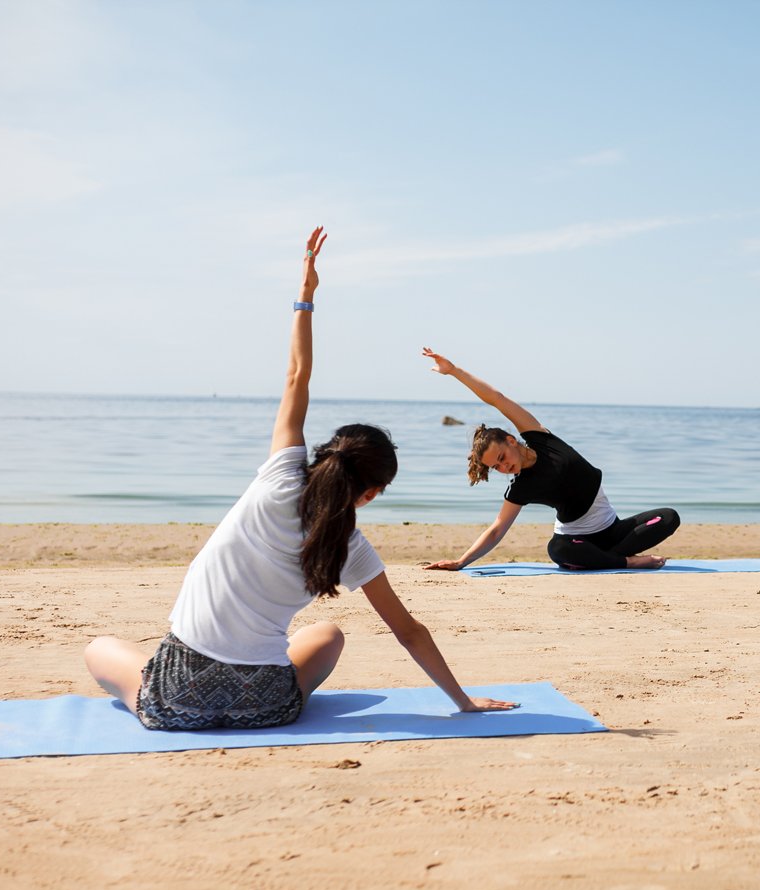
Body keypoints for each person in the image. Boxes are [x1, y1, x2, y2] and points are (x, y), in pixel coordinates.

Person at [84, 228, 515, 729]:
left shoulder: (279, 478)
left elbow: (296, 376)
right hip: (268, 707)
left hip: (178, 700)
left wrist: (305, 295)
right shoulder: (350, 545)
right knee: (328, 634)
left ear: (325, 455)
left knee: (100, 649)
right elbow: (408, 631)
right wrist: (463, 702)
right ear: (371, 494)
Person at [420, 349, 680, 572]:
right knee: (558, 550)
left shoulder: (538, 437)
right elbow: (497, 529)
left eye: (501, 458)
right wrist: (461, 562)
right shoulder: (520, 487)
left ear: (511, 439)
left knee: (668, 518)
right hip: (576, 541)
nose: (503, 467)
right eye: (495, 467)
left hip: (613, 531)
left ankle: (609, 560)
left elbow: (496, 398)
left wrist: (455, 371)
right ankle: (628, 563)